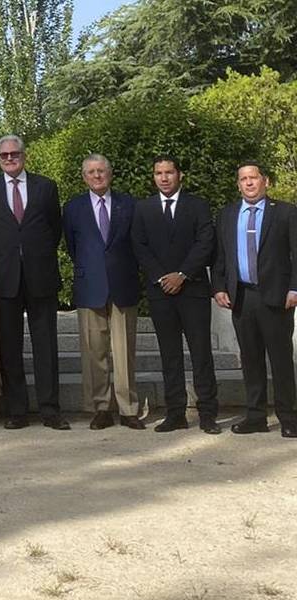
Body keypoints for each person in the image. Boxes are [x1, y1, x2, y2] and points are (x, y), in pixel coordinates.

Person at [0, 135, 69, 430]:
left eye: (15, 154)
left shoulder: (46, 187)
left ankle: (50, 410)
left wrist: (35, 254)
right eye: (4, 155)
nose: (10, 159)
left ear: (24, 155)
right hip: (5, 280)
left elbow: (54, 229)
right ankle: (17, 411)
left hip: (40, 276)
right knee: (10, 348)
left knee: (46, 346)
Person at [130, 155, 221, 434]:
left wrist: (182, 274)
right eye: (159, 173)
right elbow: (139, 245)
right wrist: (162, 277)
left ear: (179, 175)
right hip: (161, 293)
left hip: (192, 290)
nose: (164, 178)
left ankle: (207, 414)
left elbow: (205, 243)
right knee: (169, 355)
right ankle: (175, 413)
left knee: (201, 353)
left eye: (169, 172)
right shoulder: (143, 208)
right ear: (153, 176)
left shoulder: (197, 205)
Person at [212, 162, 297, 439]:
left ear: (265, 181)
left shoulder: (285, 213)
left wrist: (294, 289)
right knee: (250, 359)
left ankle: (288, 417)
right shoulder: (227, 214)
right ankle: (256, 416)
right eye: (243, 179)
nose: (249, 183)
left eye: (254, 178)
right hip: (242, 296)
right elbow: (221, 256)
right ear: (238, 184)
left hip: (275, 297)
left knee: (281, 359)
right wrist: (219, 286)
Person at [62, 155, 143, 430]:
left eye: (101, 171)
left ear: (110, 173)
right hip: (90, 286)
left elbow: (136, 243)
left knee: (124, 352)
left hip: (123, 284)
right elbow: (73, 246)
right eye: (91, 172)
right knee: (93, 352)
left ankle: (128, 409)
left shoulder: (128, 204)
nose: (97, 176)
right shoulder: (73, 208)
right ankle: (100, 408)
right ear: (84, 176)